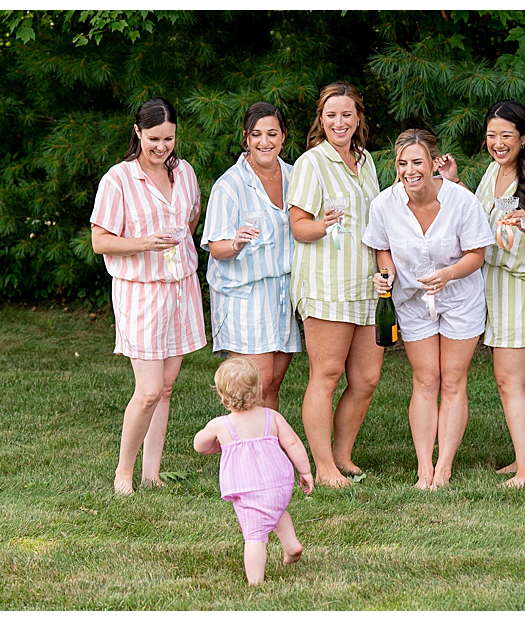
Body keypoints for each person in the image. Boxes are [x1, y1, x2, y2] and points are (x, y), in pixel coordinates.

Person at [442, 100, 525, 488]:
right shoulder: (494, 172)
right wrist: (457, 181)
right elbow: (479, 219)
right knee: (519, 381)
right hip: (497, 290)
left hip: (524, 289)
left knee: (508, 379)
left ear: (524, 137)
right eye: (492, 135)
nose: (497, 142)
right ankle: (522, 456)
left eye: (506, 135)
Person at [89, 97, 207, 495]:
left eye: (169, 139)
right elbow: (99, 241)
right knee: (149, 390)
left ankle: (151, 473)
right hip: (141, 293)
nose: (161, 147)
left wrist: (179, 239)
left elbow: (191, 213)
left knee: (168, 387)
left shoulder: (185, 172)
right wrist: (144, 243)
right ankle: (124, 471)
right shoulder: (118, 179)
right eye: (154, 139)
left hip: (181, 287)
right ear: (137, 132)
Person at [365, 129, 495, 490]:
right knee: (425, 380)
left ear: (432, 162)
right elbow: (381, 249)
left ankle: (445, 467)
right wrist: (386, 277)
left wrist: (448, 274)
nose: (410, 171)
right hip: (412, 301)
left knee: (453, 380)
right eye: (402, 163)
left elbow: (477, 254)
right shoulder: (383, 205)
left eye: (417, 162)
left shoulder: (461, 201)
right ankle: (424, 468)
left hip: (459, 297)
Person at [288, 82, 382, 488]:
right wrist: (321, 225)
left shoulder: (368, 162)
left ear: (358, 117)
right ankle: (323, 467)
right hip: (327, 286)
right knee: (325, 376)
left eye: (346, 114)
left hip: (367, 286)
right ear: (321, 120)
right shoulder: (313, 162)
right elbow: (298, 227)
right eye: (331, 115)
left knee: (366, 379)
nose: (339, 122)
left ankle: (343, 456)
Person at [203, 102, 301, 410]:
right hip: (244, 295)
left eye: (272, 133)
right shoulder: (229, 186)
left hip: (281, 293)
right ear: (246, 138)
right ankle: (242, 451)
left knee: (272, 384)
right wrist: (235, 244)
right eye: (256, 134)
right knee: (252, 386)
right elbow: (216, 248)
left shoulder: (295, 176)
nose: (265, 142)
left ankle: (266, 450)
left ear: (284, 137)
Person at [193, 357, 314, 585]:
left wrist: (218, 444)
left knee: (255, 536)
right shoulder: (272, 417)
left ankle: (255, 582)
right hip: (279, 483)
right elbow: (294, 444)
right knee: (275, 510)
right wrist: (305, 471)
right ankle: (291, 545)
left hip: (249, 488)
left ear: (221, 396)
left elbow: (199, 445)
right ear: (259, 389)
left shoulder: (220, 425)